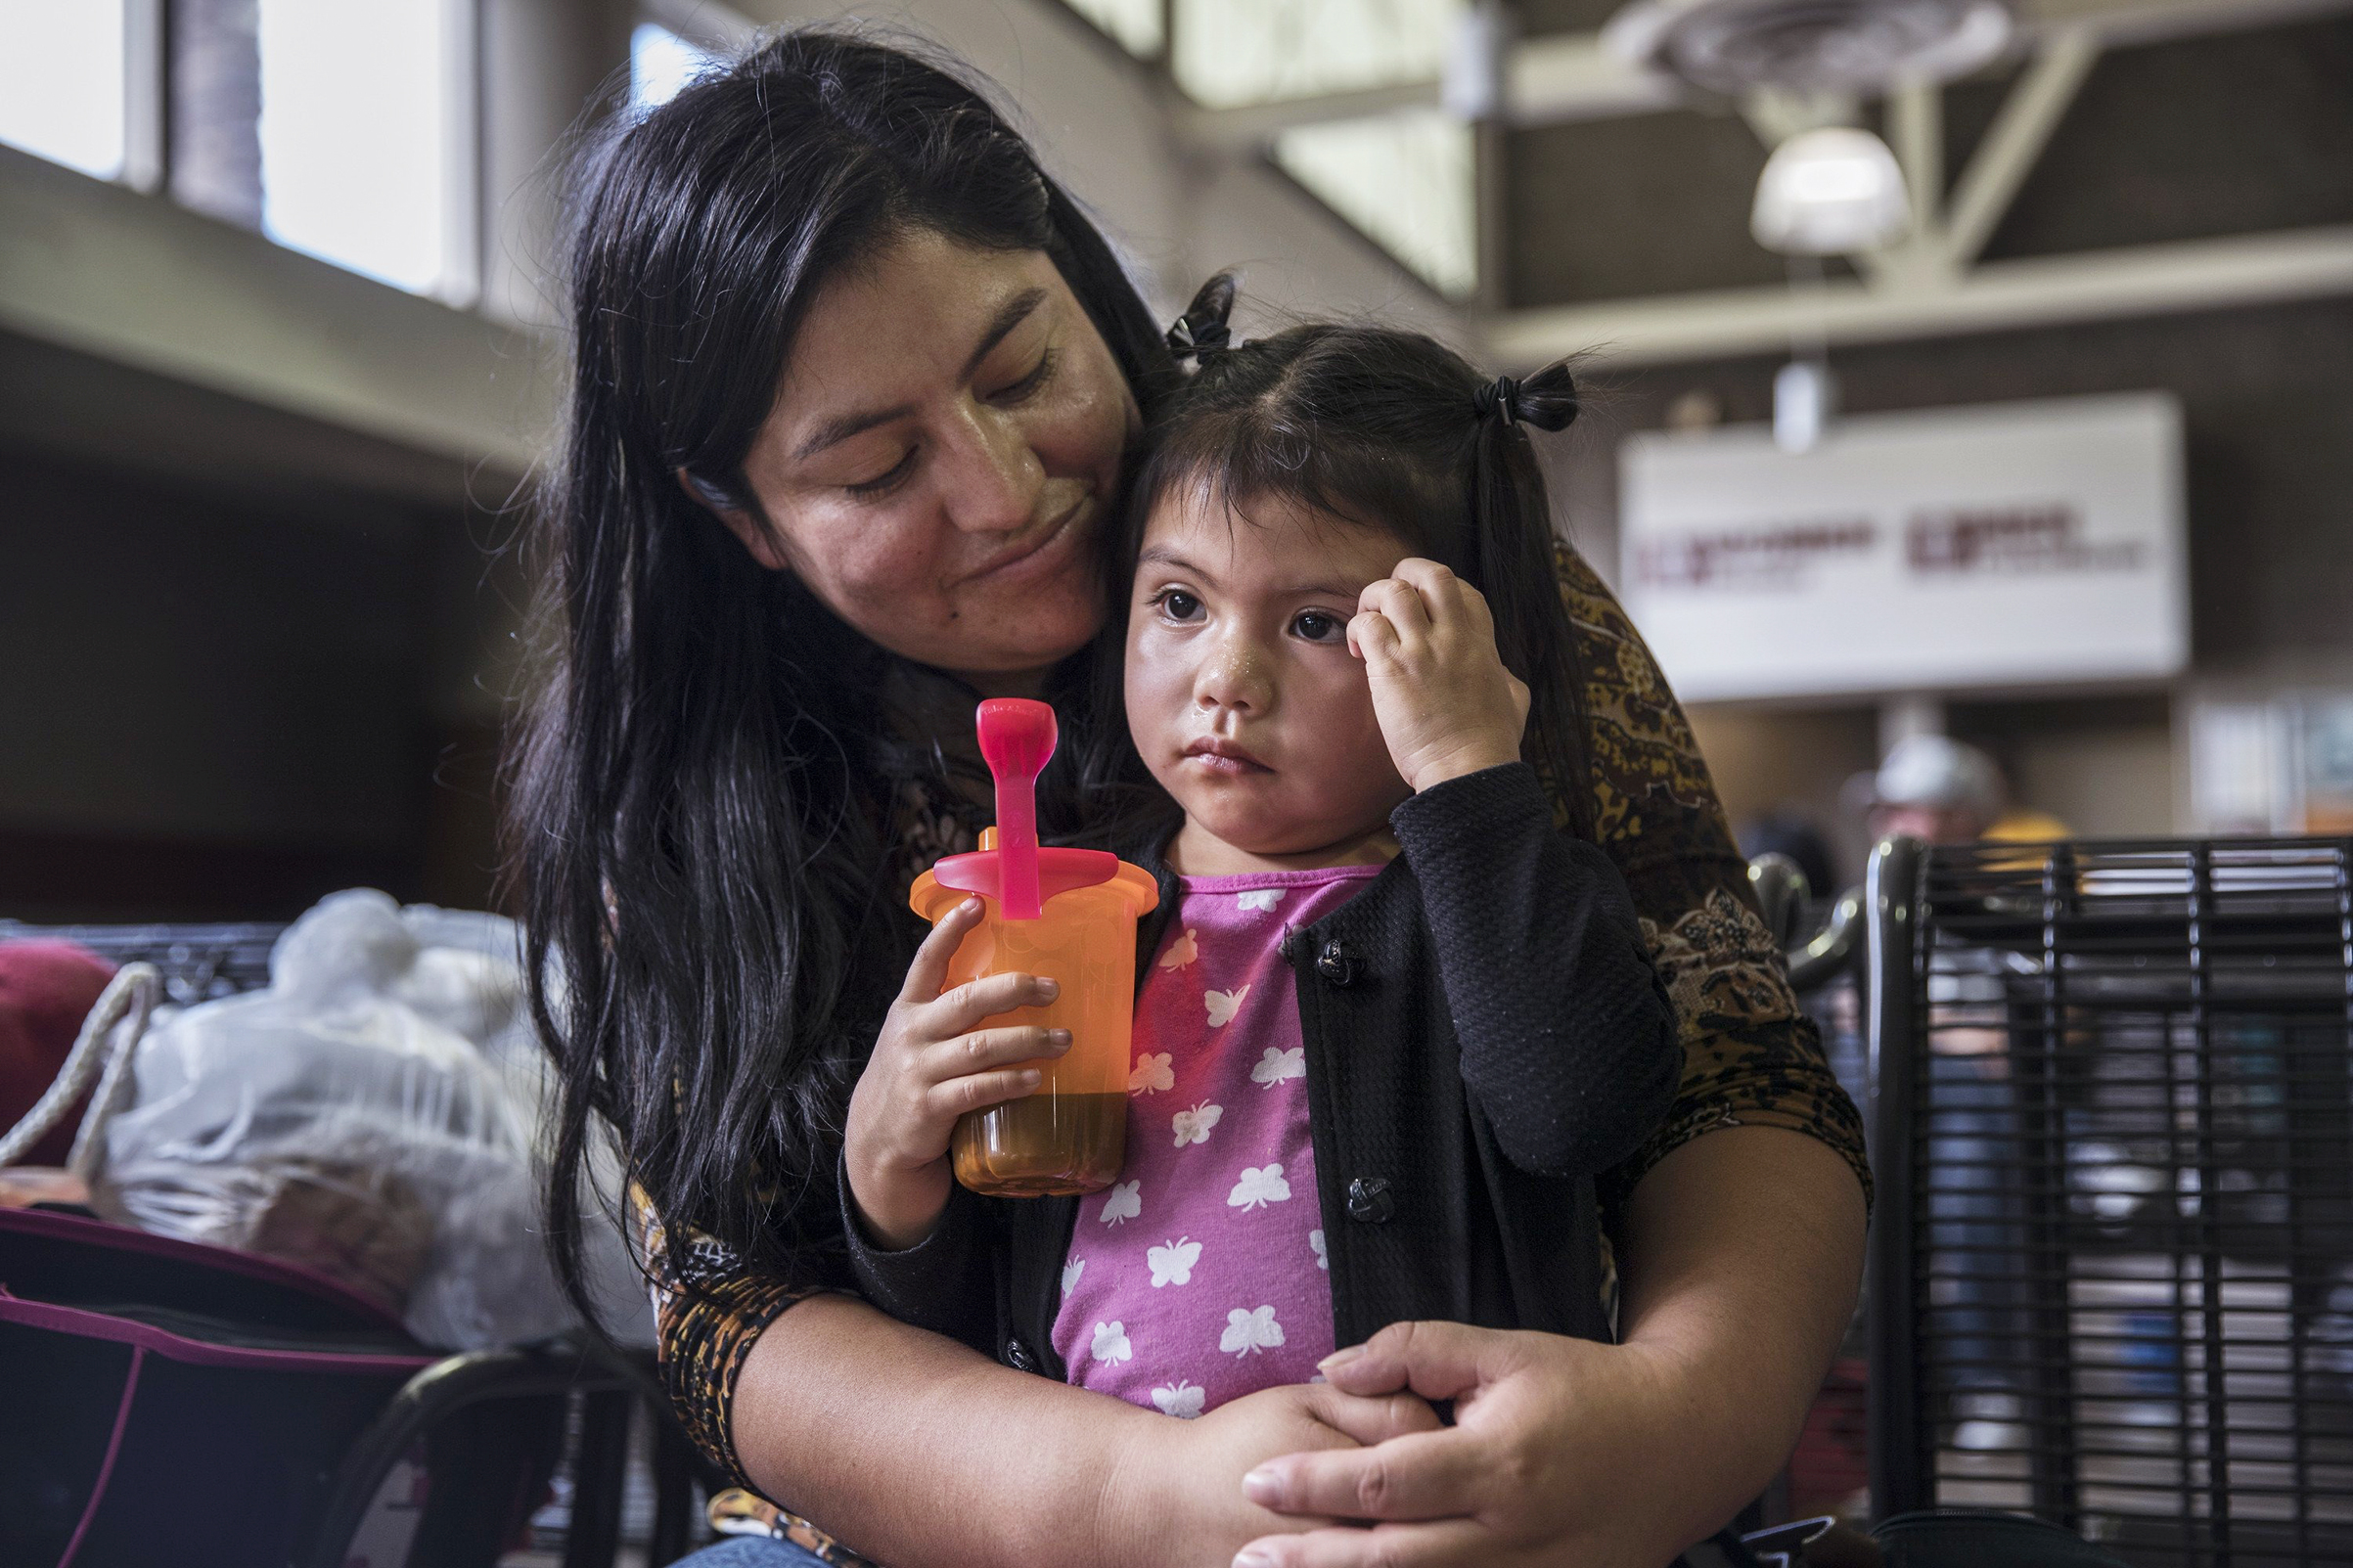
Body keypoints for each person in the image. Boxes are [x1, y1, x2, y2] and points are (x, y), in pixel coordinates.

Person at [512, 29, 1870, 1568]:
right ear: (739, 516)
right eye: (879, 466)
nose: (1003, 488)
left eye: (1023, 371)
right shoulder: (691, 806)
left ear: (1082, 290)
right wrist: (1136, 1496)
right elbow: (727, 1301)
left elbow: (1735, 1062)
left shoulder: (1399, 583)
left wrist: (1674, 1423)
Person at [838, 286, 1684, 1424]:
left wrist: (1470, 773)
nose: (1224, 677)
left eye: (1318, 623)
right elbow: (962, 1310)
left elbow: (1578, 1111)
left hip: (1425, 1508)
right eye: (1179, 600)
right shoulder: (1070, 909)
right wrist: (891, 1170)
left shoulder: (1499, 894)